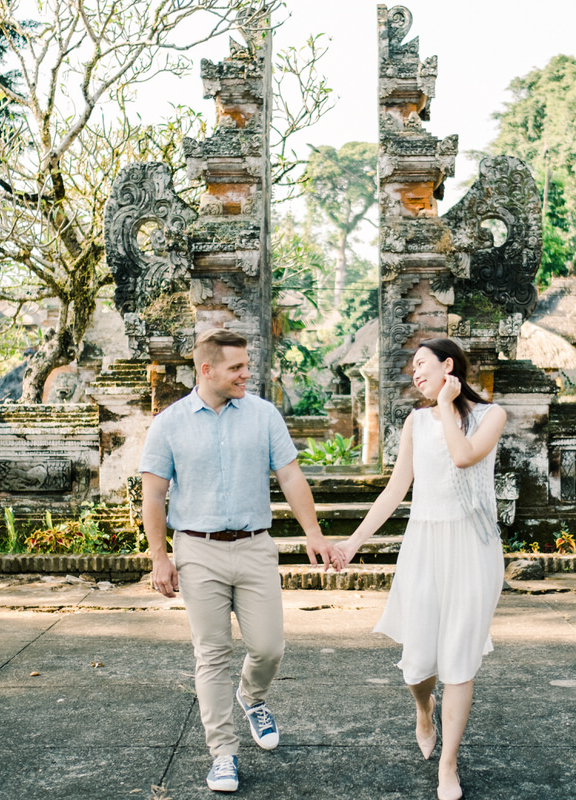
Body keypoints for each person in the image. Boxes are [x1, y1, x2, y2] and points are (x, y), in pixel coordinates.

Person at [140, 328, 338, 794]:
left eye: (246, 365)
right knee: (211, 654)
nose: (247, 373)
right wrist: (159, 557)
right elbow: (153, 493)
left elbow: (290, 476)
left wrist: (313, 534)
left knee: (268, 647)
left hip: (254, 547)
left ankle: (252, 698)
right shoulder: (169, 423)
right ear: (206, 370)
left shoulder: (263, 415)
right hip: (198, 549)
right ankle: (223, 755)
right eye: (237, 368)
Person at [331, 337, 507, 800]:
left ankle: (448, 765)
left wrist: (449, 406)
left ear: (449, 366)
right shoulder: (414, 422)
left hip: (473, 548)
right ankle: (423, 709)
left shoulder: (492, 416)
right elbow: (394, 491)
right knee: (418, 661)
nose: (416, 373)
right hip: (425, 545)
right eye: (412, 368)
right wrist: (352, 543)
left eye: (422, 365)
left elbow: (464, 455)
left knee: (460, 658)